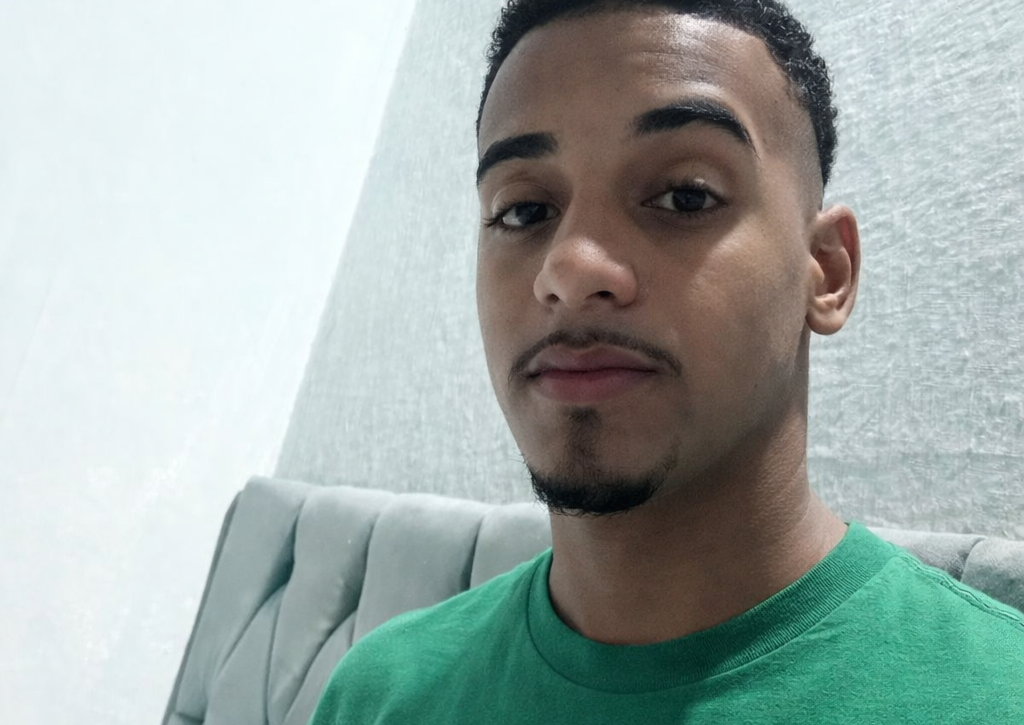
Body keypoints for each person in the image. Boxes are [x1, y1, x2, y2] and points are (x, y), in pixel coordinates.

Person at [310, 1, 1024, 721]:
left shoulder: (996, 693)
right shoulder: (377, 694)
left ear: (826, 271)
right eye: (524, 211)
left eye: (685, 196)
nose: (570, 267)